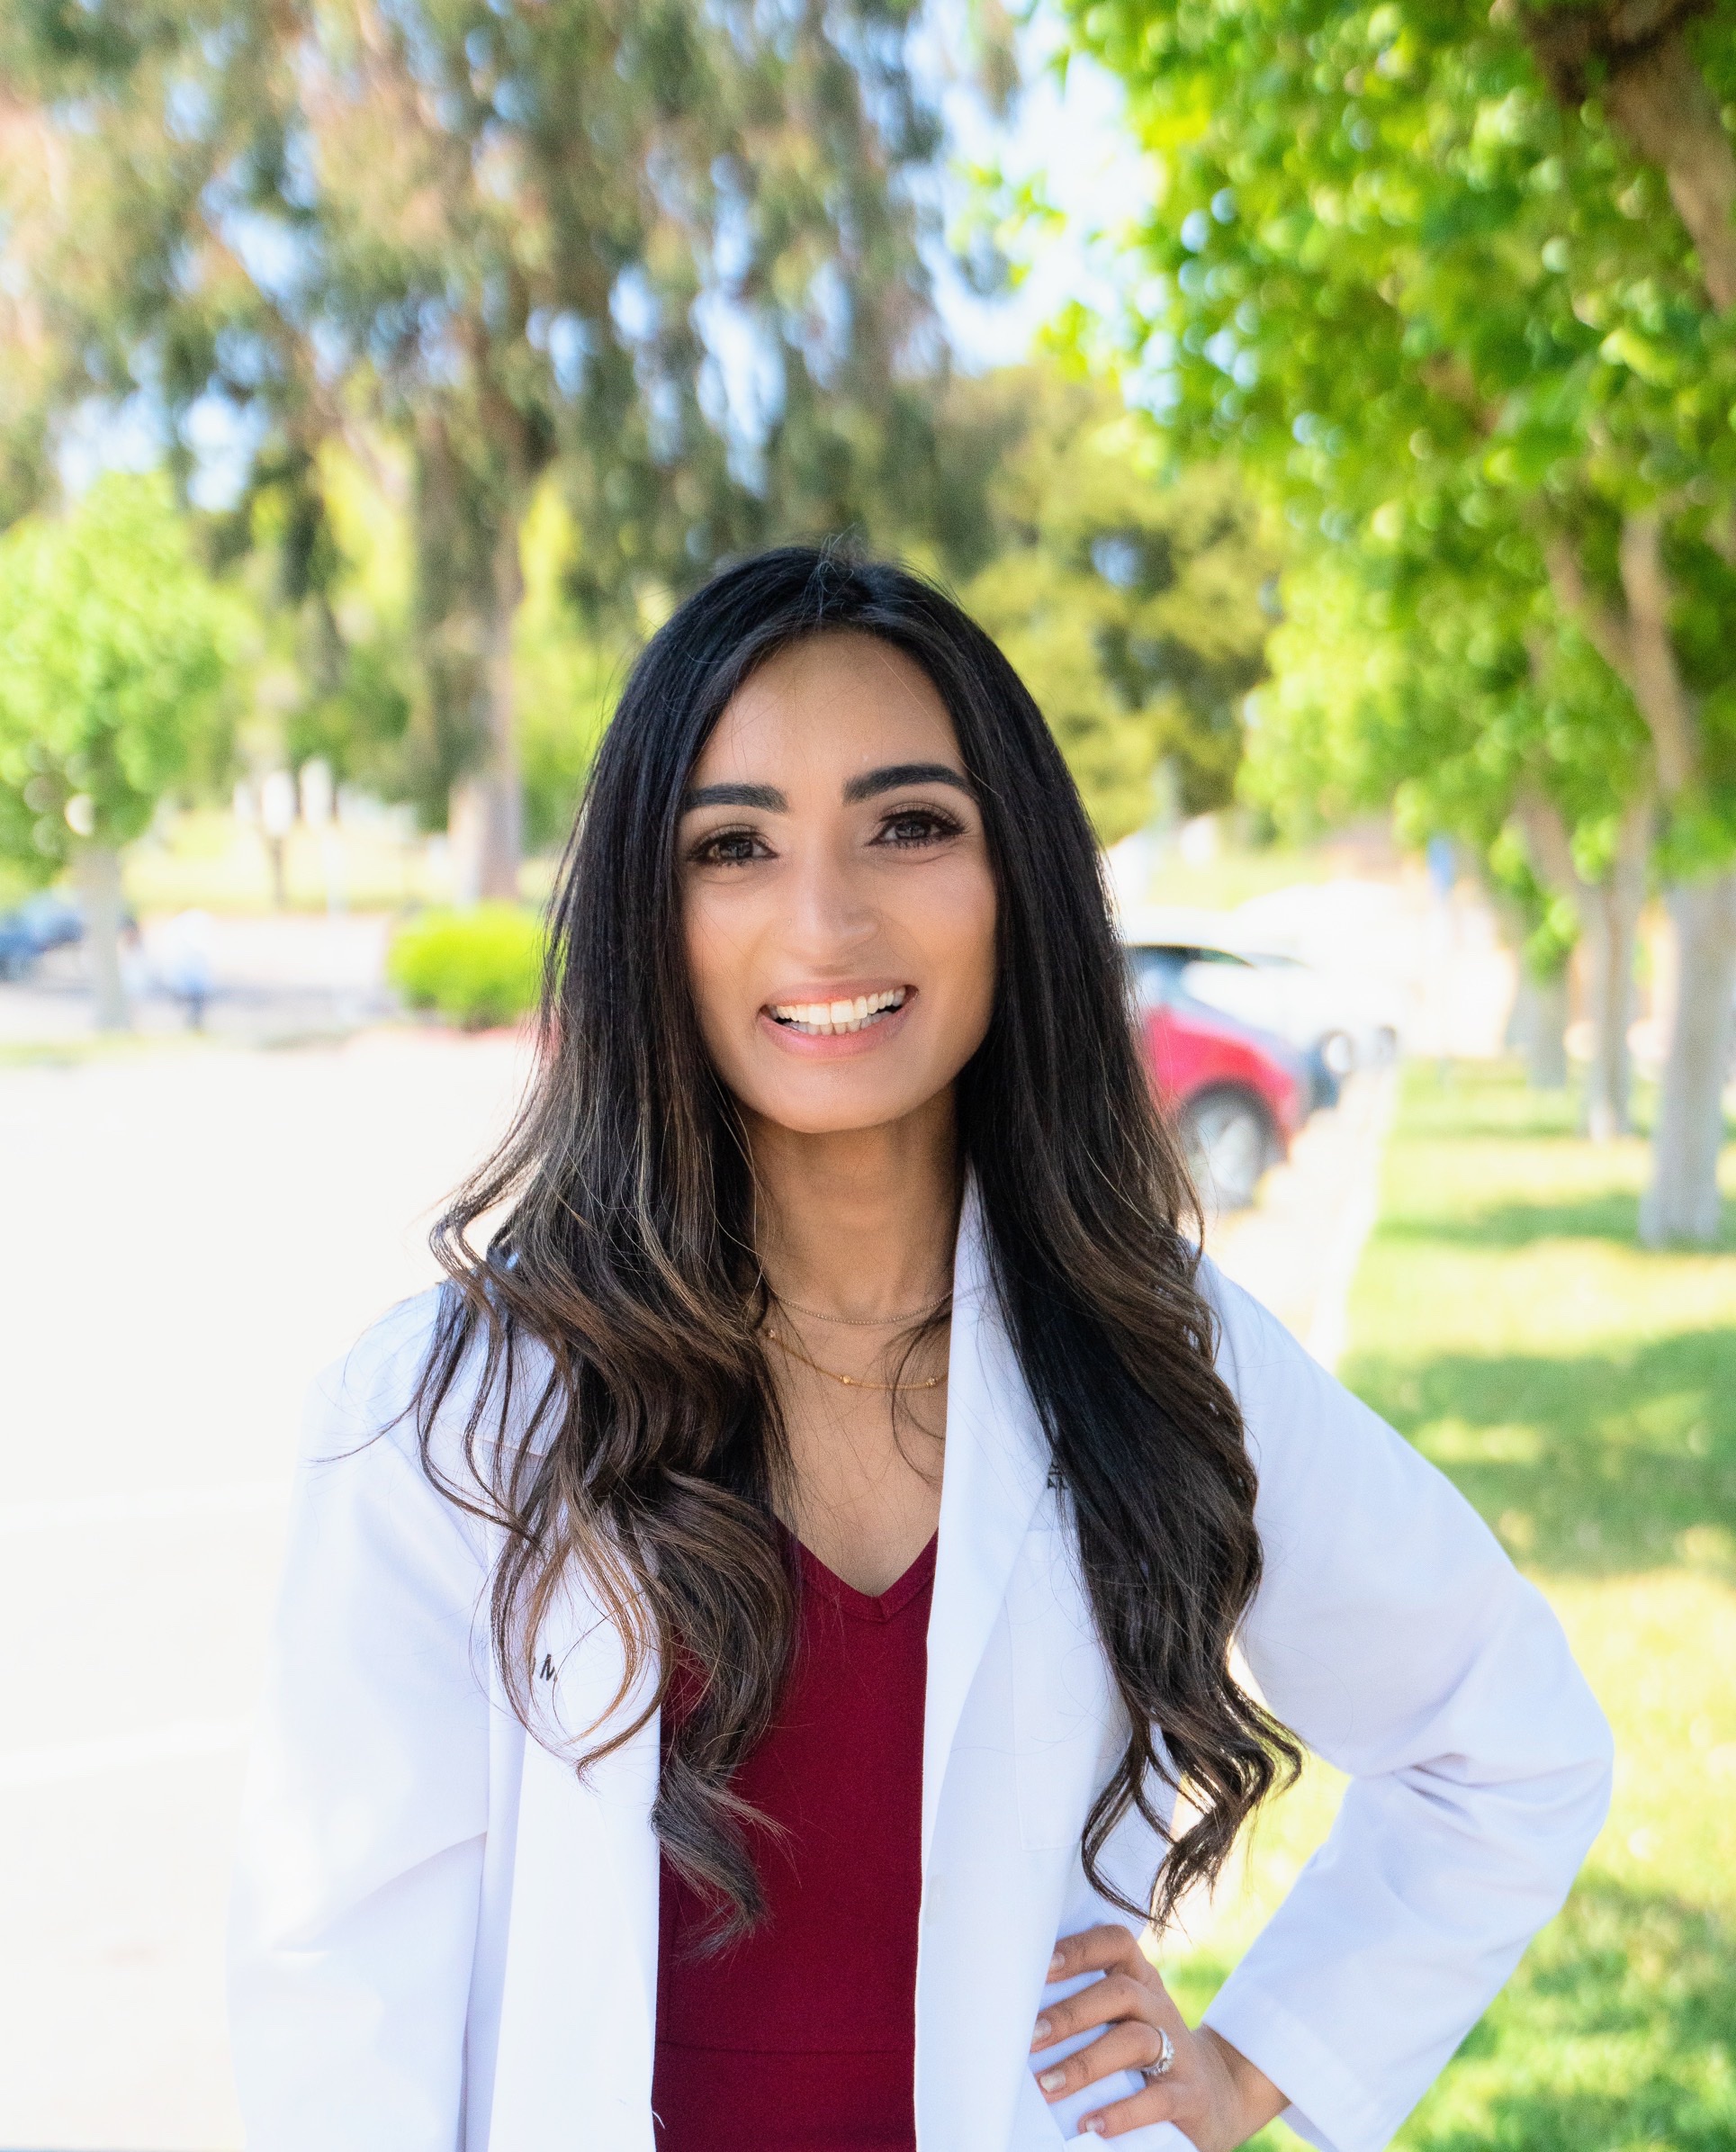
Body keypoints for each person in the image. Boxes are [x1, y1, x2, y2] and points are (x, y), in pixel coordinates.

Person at [229, 547, 1611, 2152]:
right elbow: (337, 1987)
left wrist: (1248, 2063)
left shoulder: (1153, 1345)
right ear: (644, 917)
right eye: (733, 847)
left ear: (1013, 874)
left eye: (908, 826)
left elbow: (1499, 1735)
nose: (825, 919)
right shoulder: (457, 1408)